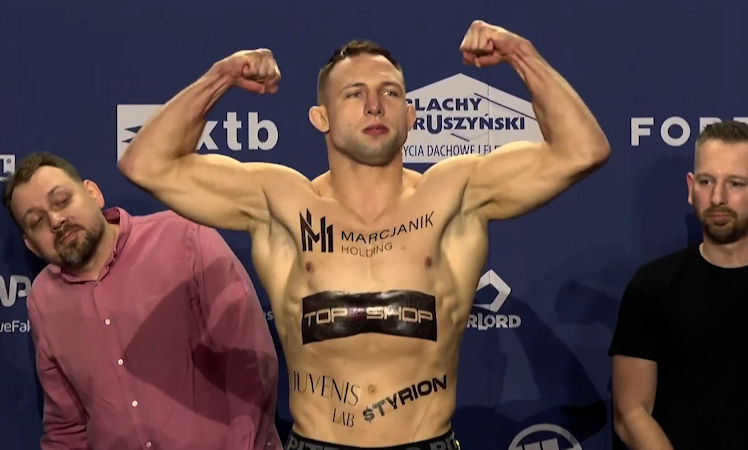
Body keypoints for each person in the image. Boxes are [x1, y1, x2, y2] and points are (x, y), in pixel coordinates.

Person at [118, 20, 610, 448]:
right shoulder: (280, 202)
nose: (375, 106)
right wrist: (222, 76)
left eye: (390, 93)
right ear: (322, 118)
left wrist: (520, 53)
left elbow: (582, 150)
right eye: (354, 94)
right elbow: (147, 163)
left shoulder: (456, 194)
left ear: (410, 116)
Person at [3, 152, 283, 450]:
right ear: (32, 246)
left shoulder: (185, 237)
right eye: (37, 221)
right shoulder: (43, 301)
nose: (56, 220)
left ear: (93, 193)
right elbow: (66, 426)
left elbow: (250, 366)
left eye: (62, 201)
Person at [609, 120, 748, 449]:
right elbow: (631, 411)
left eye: (735, 183)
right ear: (690, 188)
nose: (717, 197)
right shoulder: (652, 286)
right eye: (706, 181)